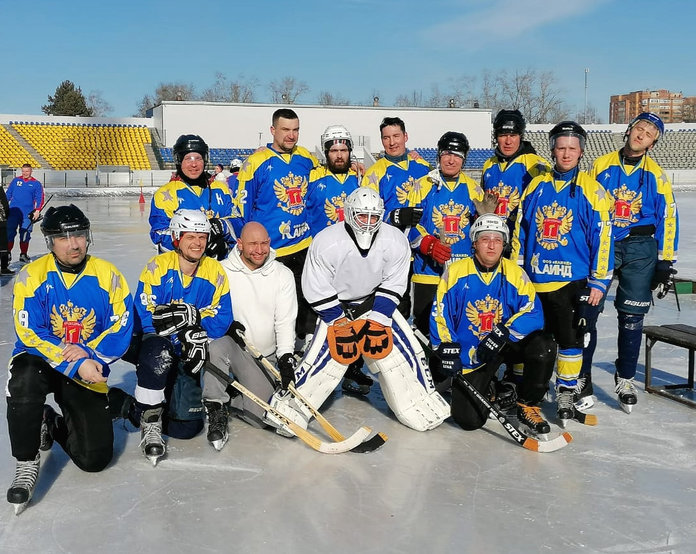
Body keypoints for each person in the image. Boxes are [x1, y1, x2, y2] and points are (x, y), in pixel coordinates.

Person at [270, 188, 450, 433]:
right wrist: (338, 320)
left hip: (375, 303)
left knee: (403, 356)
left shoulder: (394, 239)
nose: (367, 223)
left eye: (373, 217)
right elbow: (315, 285)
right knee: (326, 361)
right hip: (335, 307)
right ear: (349, 214)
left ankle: (423, 405)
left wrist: (378, 318)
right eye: (362, 216)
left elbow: (395, 281)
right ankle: (288, 413)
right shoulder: (327, 241)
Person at [5, 204, 134, 513]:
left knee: (94, 459)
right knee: (23, 376)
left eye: (79, 235)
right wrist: (75, 360)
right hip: (43, 362)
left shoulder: (107, 275)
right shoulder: (32, 276)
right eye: (64, 238)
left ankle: (50, 422)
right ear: (50, 242)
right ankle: (26, 461)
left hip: (86, 366)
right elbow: (28, 331)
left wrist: (89, 354)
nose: (74, 244)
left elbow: (122, 327)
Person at [512, 121, 614, 427]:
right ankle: (524, 389)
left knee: (570, 340)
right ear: (553, 149)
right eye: (560, 147)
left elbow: (603, 237)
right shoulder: (536, 185)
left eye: (572, 148)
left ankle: (567, 392)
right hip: (534, 280)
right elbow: (522, 229)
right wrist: (518, 268)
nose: (565, 153)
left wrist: (599, 280)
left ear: (581, 151)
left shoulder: (591, 189)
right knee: (531, 338)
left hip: (571, 280)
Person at [582, 112, 679, 413]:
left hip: (640, 246)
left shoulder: (657, 175)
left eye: (649, 133)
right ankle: (581, 376)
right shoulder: (602, 164)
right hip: (605, 242)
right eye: (640, 128)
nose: (642, 134)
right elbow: (587, 202)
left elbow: (668, 217)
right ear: (629, 130)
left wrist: (665, 261)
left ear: (653, 143)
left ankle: (625, 377)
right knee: (589, 311)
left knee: (632, 317)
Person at [430, 214, 555, 437]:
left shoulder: (515, 273)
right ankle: (492, 389)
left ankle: (527, 405)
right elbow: (440, 314)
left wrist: (504, 332)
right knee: (469, 420)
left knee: (543, 346)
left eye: (497, 240)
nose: (491, 245)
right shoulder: (456, 272)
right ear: (474, 243)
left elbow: (534, 312)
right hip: (474, 353)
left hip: (503, 344)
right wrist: (447, 348)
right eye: (485, 238)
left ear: (504, 244)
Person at [131, 209, 233, 465]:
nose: (197, 243)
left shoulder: (215, 270)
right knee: (157, 352)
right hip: (161, 347)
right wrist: (179, 337)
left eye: (202, 236)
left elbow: (223, 318)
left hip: (193, 348)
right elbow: (145, 317)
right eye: (191, 237)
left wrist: (194, 331)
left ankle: (138, 404)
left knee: (184, 429)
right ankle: (149, 419)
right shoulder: (156, 267)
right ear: (176, 237)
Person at [202, 221, 297, 449]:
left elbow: (284, 321)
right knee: (217, 346)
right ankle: (215, 406)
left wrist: (285, 358)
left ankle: (233, 392)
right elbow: (207, 309)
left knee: (260, 418)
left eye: (264, 243)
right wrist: (223, 325)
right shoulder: (222, 270)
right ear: (240, 244)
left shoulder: (282, 275)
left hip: (263, 355)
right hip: (233, 348)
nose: (259, 249)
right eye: (253, 244)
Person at [235, 108, 319, 341]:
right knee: (271, 311)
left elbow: (326, 179)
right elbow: (241, 209)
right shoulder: (255, 162)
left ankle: (303, 351)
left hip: (303, 246)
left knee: (305, 306)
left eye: (295, 130)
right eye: (285, 130)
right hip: (271, 251)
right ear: (273, 130)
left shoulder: (306, 158)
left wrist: (353, 167)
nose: (291, 136)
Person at [305, 124, 370, 395]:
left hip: (355, 261)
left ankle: (352, 369)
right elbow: (306, 219)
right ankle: (320, 369)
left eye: (344, 149)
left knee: (355, 316)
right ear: (327, 153)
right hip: (326, 262)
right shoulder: (315, 183)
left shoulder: (361, 182)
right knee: (326, 317)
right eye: (334, 150)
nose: (339, 155)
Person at [405, 131, 484, 338]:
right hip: (427, 272)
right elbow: (410, 226)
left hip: (462, 272)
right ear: (439, 155)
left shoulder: (474, 189)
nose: (451, 159)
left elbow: (481, 232)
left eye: (457, 155)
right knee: (424, 329)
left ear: (464, 159)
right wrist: (429, 245)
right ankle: (427, 369)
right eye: (447, 153)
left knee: (461, 325)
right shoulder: (423, 185)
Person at [362, 116, 431, 318]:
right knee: (394, 302)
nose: (392, 142)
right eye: (386, 138)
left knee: (423, 305)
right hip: (390, 249)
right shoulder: (374, 173)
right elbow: (366, 216)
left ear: (406, 136)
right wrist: (394, 217)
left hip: (422, 247)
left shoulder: (423, 167)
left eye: (396, 136)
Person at [149, 134, 239, 261]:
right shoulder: (166, 193)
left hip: (220, 267)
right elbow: (159, 234)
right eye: (188, 159)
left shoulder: (220, 189)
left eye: (198, 158)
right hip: (182, 270)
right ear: (178, 160)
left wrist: (222, 226)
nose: (194, 164)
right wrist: (200, 240)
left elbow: (240, 222)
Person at [481, 110, 550, 235]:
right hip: (493, 239)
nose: (508, 141)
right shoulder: (489, 165)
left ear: (521, 136)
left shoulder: (535, 164)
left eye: (513, 135)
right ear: (496, 137)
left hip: (521, 239)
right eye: (503, 135)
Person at [6, 163, 44, 264]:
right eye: (23, 171)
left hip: (27, 214)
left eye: (27, 171)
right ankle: (7, 253)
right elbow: (8, 194)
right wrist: (4, 207)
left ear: (31, 171)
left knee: (25, 234)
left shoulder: (36, 183)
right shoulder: (15, 181)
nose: (25, 173)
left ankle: (23, 254)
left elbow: (40, 198)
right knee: (9, 233)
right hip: (13, 212)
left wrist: (37, 210)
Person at [0, 184, 12, 275]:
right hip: (1, 221)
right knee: (3, 245)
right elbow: (5, 205)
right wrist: (5, 217)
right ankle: (3, 267)